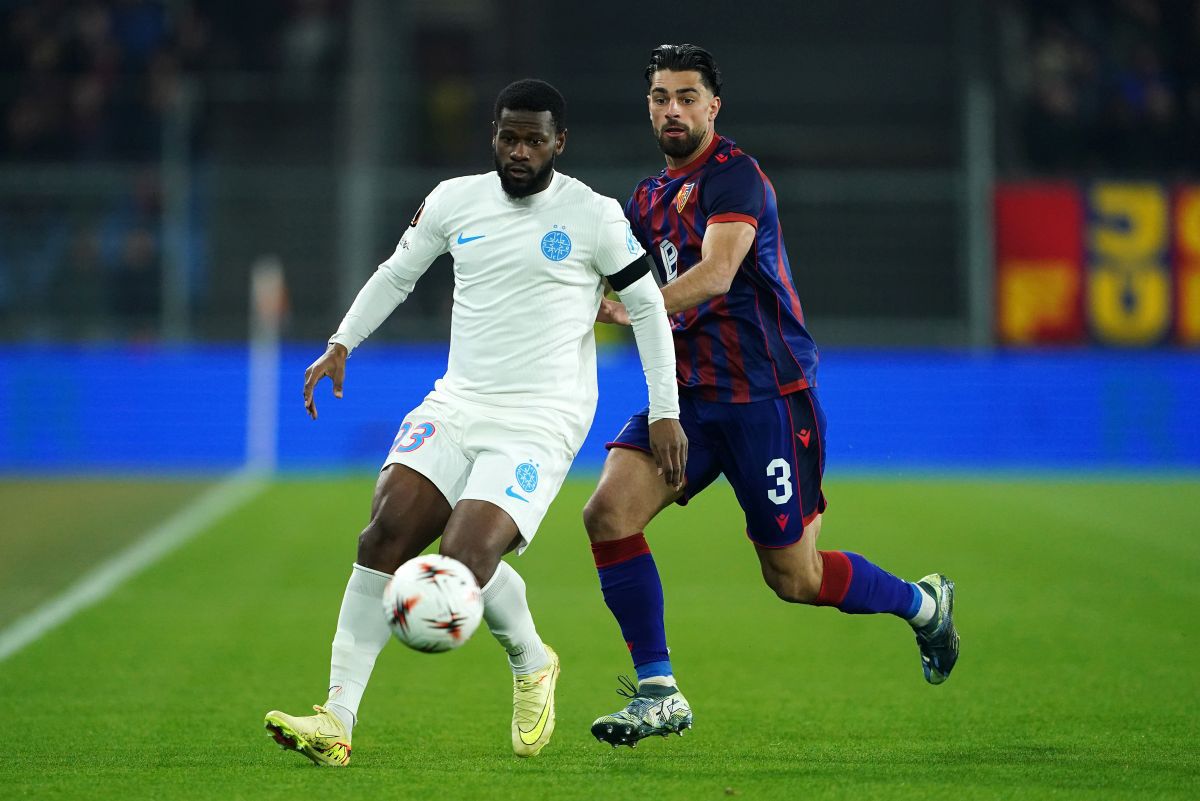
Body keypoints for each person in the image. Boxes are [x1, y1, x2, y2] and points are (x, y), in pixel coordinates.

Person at [264, 79, 686, 766]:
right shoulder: (454, 200)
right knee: (386, 529)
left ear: (559, 142)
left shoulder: (594, 215)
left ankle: (531, 659)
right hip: (458, 400)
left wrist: (665, 410)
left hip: (541, 418)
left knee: (462, 559)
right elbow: (398, 274)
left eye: (533, 139)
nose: (519, 152)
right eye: (508, 137)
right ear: (493, 134)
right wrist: (342, 342)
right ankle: (335, 718)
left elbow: (646, 309)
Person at [585, 44, 960, 747]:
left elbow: (718, 274)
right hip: (691, 399)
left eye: (687, 96)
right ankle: (658, 689)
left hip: (767, 400)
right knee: (608, 513)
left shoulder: (736, 178)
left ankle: (922, 602)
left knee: (793, 576)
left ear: (713, 106)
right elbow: (614, 275)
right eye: (661, 96)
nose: (673, 109)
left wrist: (628, 310)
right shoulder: (646, 198)